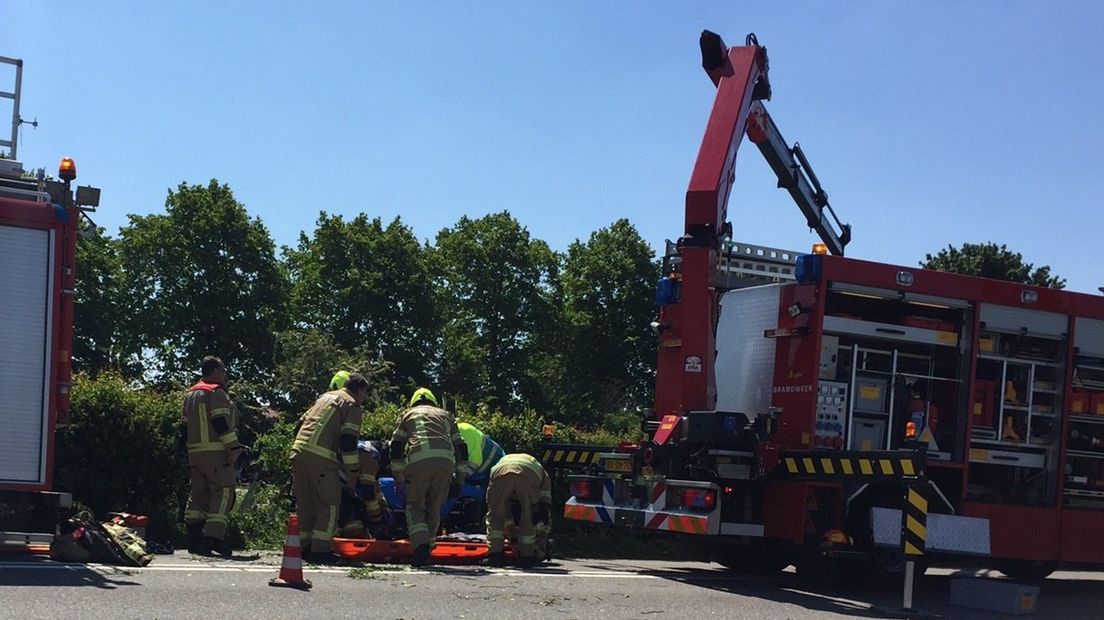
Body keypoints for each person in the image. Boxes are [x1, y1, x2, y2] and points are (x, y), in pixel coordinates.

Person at [290, 372, 369, 562]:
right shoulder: (352, 405)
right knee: (330, 503)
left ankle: (303, 547)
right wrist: (352, 472)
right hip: (321, 457)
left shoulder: (324, 398)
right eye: (364, 394)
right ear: (359, 390)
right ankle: (321, 550)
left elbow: (299, 425)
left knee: (306, 503)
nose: (364, 398)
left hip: (299, 452)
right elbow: (349, 441)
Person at [390, 387, 468, 567]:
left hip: (418, 462)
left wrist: (398, 477)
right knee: (434, 508)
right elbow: (461, 447)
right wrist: (460, 478)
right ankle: (428, 550)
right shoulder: (446, 415)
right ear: (434, 402)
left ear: (413, 403)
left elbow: (396, 446)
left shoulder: (407, 414)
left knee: (414, 506)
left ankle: (421, 548)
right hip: (445, 464)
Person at [182, 355, 243, 557]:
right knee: (224, 492)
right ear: (215, 371)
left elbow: (183, 427)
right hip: (216, 454)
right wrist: (234, 447)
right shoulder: (216, 393)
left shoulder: (190, 394)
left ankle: (194, 538)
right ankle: (214, 538)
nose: (225, 375)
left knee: (198, 494)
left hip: (195, 454)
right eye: (223, 370)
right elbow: (220, 422)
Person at [483, 453, 552, 568]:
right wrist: (540, 516)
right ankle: (526, 557)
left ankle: (495, 555)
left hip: (501, 472)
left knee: (496, 516)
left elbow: (492, 504)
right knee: (527, 515)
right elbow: (545, 503)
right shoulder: (543, 473)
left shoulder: (503, 460)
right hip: (528, 475)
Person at [339, 439, 393, 540]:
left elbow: (375, 488)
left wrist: (384, 506)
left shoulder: (369, 449)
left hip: (338, 478)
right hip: (334, 480)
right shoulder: (370, 457)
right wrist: (377, 520)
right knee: (343, 511)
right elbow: (368, 492)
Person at [457, 421, 505, 487]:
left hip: (496, 465)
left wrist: (459, 480)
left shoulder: (465, 430)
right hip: (480, 474)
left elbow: (475, 460)